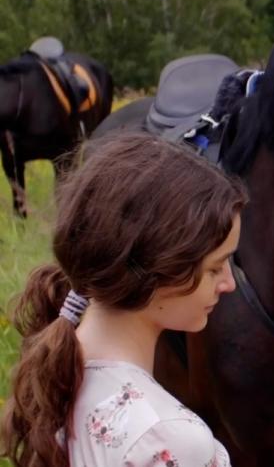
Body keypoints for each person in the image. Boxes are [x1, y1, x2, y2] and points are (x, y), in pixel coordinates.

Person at [0, 133, 247, 467]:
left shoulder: (57, 375)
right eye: (215, 268)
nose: (229, 283)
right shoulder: (166, 436)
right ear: (157, 270)